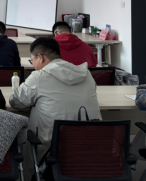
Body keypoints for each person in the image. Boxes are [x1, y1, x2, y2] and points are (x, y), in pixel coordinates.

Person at [10, 37, 101, 177]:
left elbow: (16, 102)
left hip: (51, 152)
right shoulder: (86, 74)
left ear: (40, 57)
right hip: (90, 147)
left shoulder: (39, 77)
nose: (32, 64)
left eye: (32, 60)